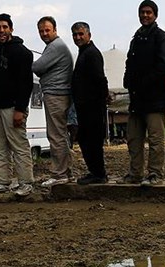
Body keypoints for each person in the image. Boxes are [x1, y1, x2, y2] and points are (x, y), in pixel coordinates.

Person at [122, 0, 165, 186]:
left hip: (155, 99)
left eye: (148, 12)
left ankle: (155, 174)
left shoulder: (161, 37)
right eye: (142, 12)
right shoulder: (136, 38)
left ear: (155, 15)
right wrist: (127, 80)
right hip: (136, 99)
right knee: (134, 139)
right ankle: (135, 173)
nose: (145, 15)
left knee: (155, 139)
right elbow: (129, 62)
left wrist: (145, 82)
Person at [0, 13, 35, 197]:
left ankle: (26, 182)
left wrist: (20, 109)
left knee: (19, 146)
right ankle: (3, 181)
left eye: (5, 27)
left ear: (11, 29)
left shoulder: (22, 52)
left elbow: (26, 84)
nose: (1, 31)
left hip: (13, 107)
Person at [32, 16, 74, 188]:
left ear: (55, 30)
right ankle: (65, 171)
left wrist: (44, 72)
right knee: (60, 134)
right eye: (41, 31)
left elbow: (37, 67)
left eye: (47, 30)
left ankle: (59, 174)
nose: (44, 34)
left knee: (55, 135)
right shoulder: (55, 47)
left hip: (56, 94)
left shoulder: (55, 47)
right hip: (58, 93)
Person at [71, 21, 110, 185]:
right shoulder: (83, 53)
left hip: (92, 106)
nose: (78, 37)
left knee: (92, 141)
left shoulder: (92, 54)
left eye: (81, 34)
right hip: (85, 105)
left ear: (89, 35)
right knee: (86, 140)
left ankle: (98, 173)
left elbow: (100, 79)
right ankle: (95, 171)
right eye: (75, 35)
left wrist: (100, 101)